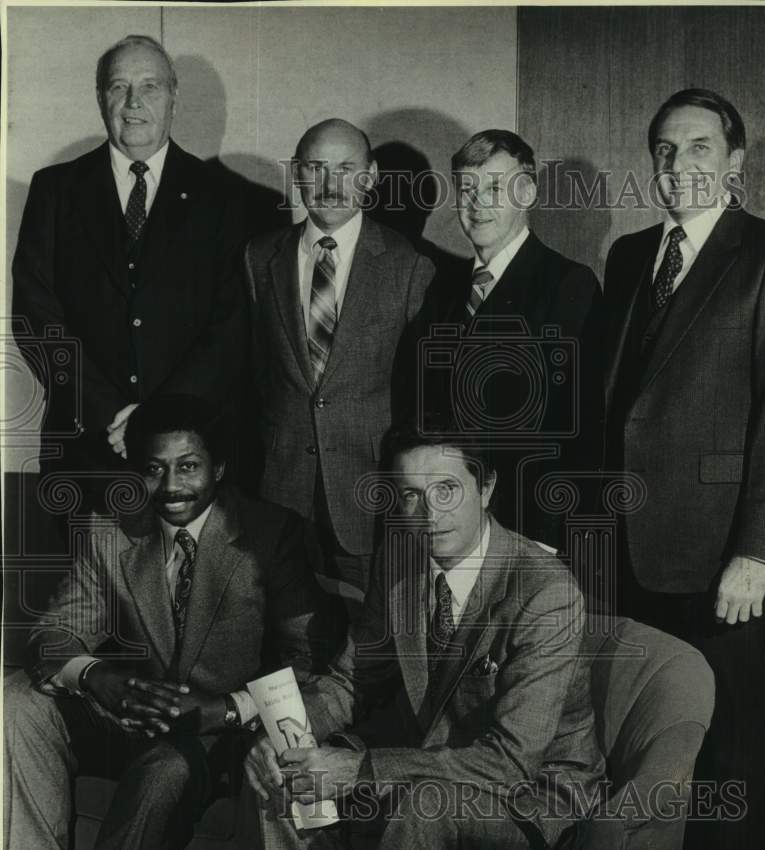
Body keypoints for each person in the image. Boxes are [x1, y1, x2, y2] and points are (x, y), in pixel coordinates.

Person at [245, 419, 604, 850]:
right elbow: (349, 681)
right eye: (410, 494)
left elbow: (510, 763)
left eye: (446, 490)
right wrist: (282, 731)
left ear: (485, 489)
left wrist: (360, 769)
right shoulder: (400, 559)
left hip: (532, 796)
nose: (428, 512)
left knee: (421, 809)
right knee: (289, 780)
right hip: (428, 767)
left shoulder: (545, 592)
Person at [3, 394, 341, 850]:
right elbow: (56, 631)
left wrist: (225, 709)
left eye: (188, 466)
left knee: (166, 774)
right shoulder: (110, 527)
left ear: (219, 468)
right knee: (15, 703)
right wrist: (98, 678)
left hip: (220, 733)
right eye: (154, 468)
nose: (170, 485)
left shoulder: (270, 534)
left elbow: (309, 663)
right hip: (134, 710)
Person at [602, 88, 765, 850]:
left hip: (721, 557)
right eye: (665, 150)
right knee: (654, 742)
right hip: (633, 549)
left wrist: (758, 550)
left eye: (699, 147)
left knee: (730, 746)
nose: (680, 166)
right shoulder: (632, 253)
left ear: (737, 160)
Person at [11, 35, 248, 498]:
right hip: (85, 451)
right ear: (100, 97)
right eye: (119, 87)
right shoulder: (55, 190)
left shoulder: (224, 198)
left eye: (151, 87)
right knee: (87, 572)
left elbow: (232, 325)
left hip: (191, 451)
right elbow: (37, 317)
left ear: (174, 97)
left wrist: (157, 419)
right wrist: (111, 412)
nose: (133, 102)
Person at [244, 118, 435, 595]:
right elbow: (251, 374)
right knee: (282, 633)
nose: (329, 186)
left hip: (368, 493)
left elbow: (420, 397)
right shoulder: (258, 257)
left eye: (345, 169)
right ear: (297, 175)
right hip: (280, 490)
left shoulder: (410, 266)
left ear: (369, 177)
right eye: (315, 168)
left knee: (372, 640)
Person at [416, 130, 603, 551]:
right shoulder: (443, 286)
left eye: (495, 188)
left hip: (526, 526)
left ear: (528, 192)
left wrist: (547, 536)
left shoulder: (568, 284)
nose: (477, 203)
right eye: (467, 189)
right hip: (449, 519)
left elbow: (576, 425)